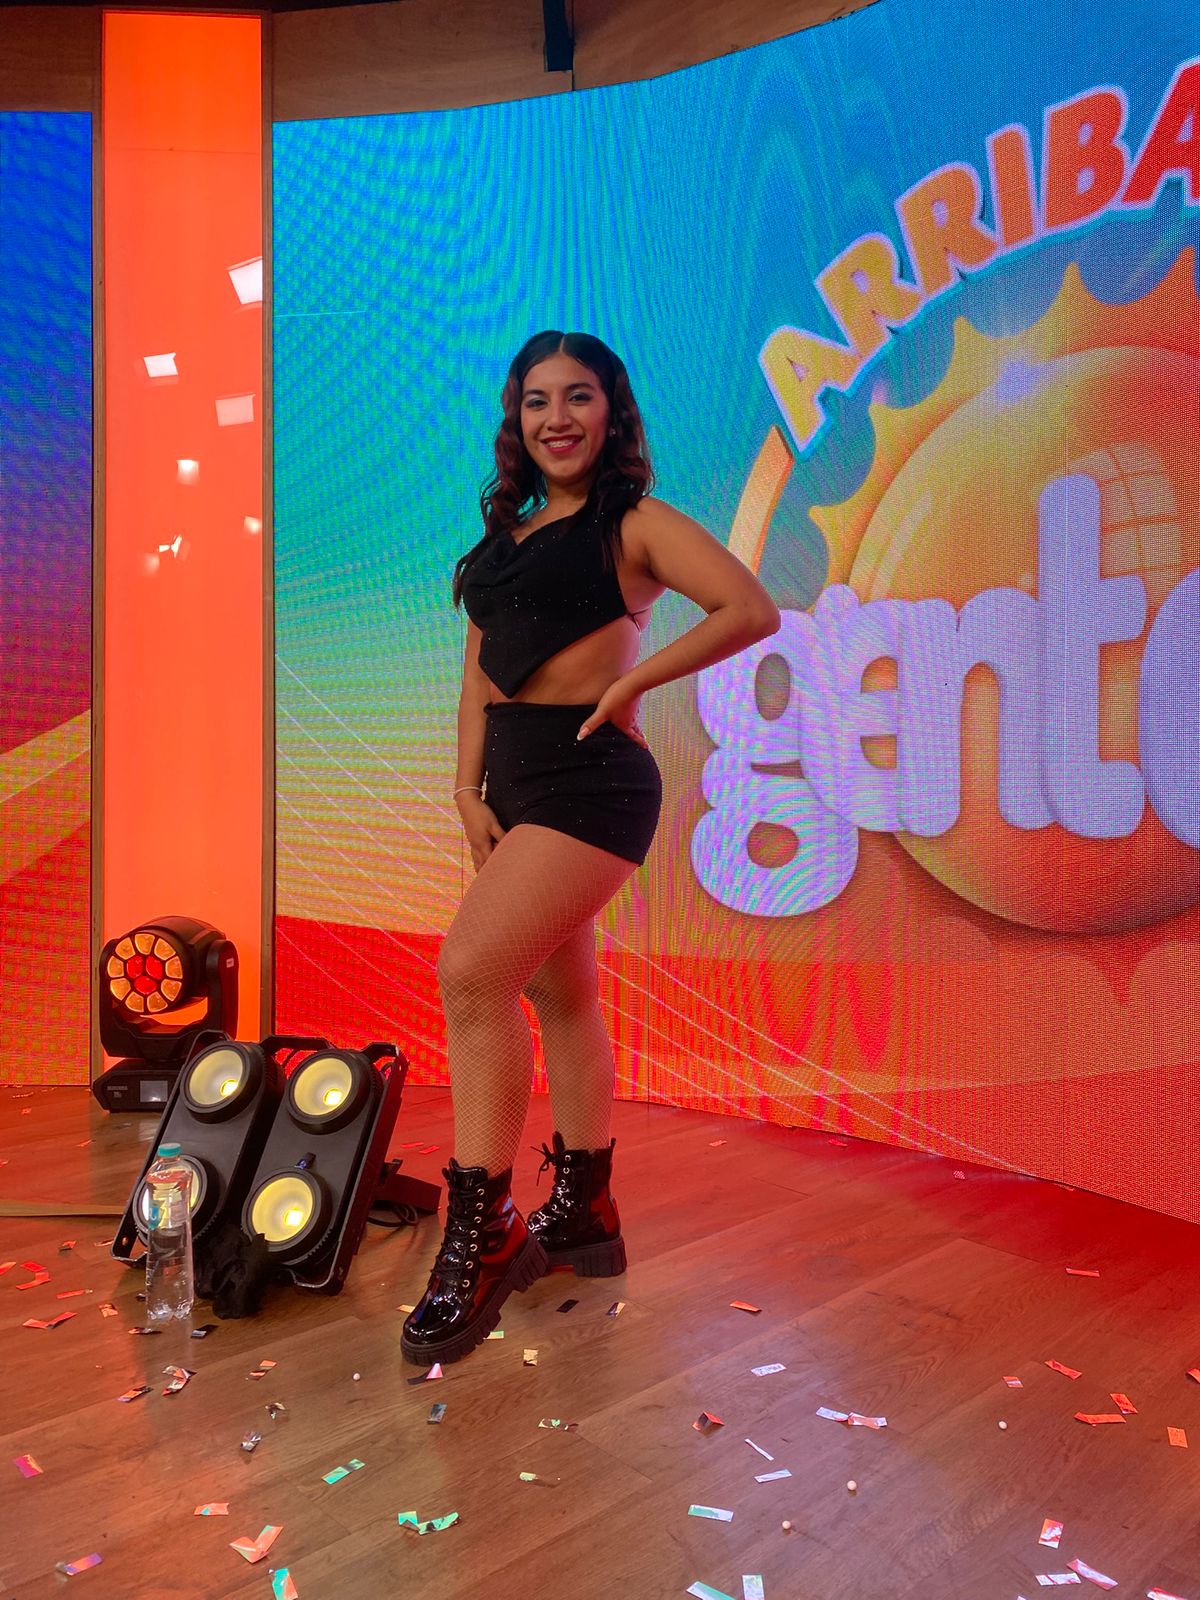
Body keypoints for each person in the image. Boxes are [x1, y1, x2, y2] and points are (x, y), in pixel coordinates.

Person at [401, 330, 779, 1365]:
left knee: (472, 974)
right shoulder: (502, 539)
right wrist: (466, 790)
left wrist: (634, 681)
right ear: (516, 418)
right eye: (537, 400)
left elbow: (748, 607)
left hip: (593, 782)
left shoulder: (633, 522)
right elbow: (478, 678)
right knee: (560, 996)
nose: (557, 418)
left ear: (612, 411)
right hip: (512, 787)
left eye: (578, 396)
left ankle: (484, 1235)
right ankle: (585, 1211)